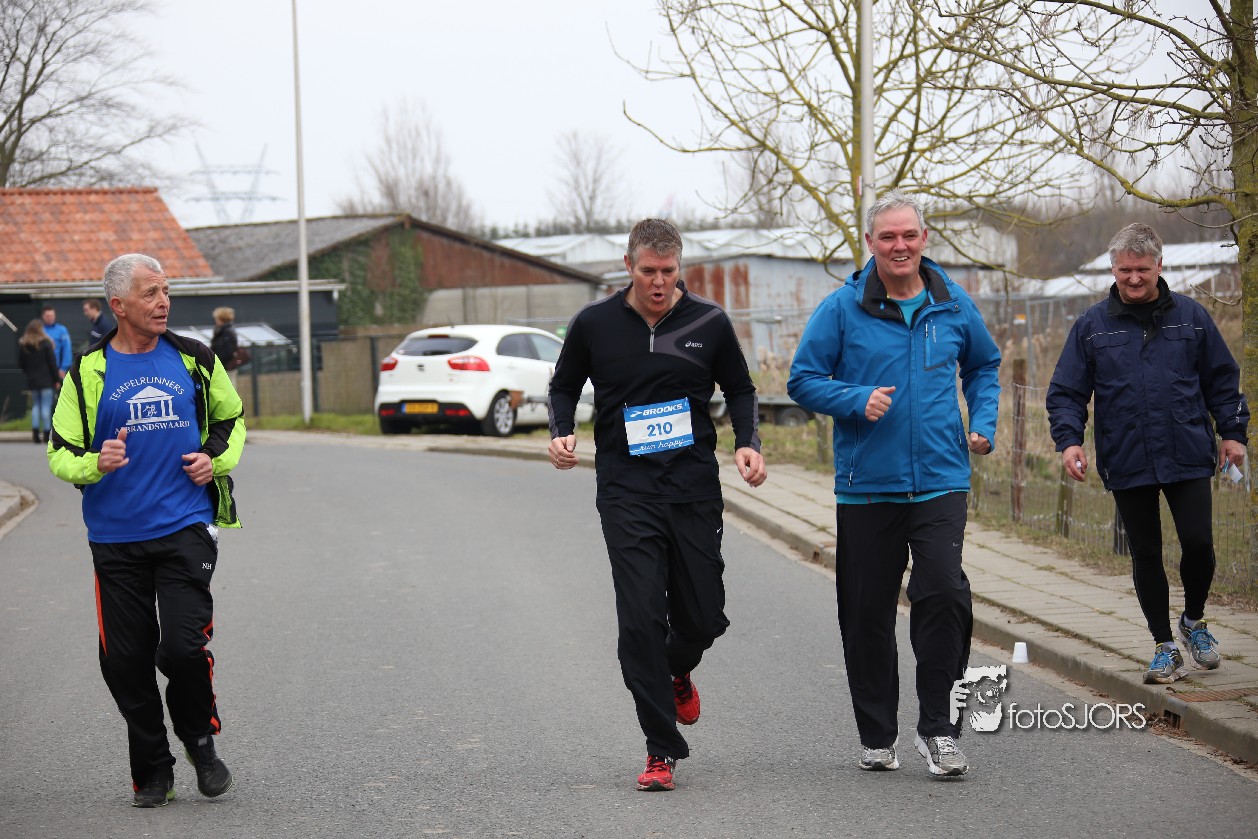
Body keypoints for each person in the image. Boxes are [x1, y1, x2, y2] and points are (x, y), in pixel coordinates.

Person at [547, 218, 767, 792]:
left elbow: (740, 388)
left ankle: (677, 669)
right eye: (649, 271)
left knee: (704, 615)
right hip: (626, 491)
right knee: (641, 618)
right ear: (629, 266)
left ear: (679, 267)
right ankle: (660, 748)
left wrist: (747, 442)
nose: (659, 282)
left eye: (669, 271)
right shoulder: (594, 323)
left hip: (693, 488)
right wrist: (562, 430)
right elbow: (563, 385)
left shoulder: (708, 322)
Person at [787, 190, 1001, 778]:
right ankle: (878, 734)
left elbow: (983, 366)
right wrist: (855, 399)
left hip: (941, 480)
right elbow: (803, 379)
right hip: (867, 487)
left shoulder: (952, 303)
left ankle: (939, 730)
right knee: (867, 615)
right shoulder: (841, 308)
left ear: (924, 239)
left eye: (909, 235)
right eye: (888, 237)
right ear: (870, 243)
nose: (899, 246)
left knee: (945, 596)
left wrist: (982, 423)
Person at [47, 254, 247, 808]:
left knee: (182, 649)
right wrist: (95, 463)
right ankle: (153, 769)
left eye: (166, 291)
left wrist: (213, 459)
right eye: (151, 293)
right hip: (115, 538)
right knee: (124, 661)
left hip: (185, 525)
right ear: (118, 305)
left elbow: (230, 417)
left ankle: (200, 740)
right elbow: (60, 451)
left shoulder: (195, 358)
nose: (163, 303)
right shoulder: (86, 372)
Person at [1046, 223, 1247, 685]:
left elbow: (1222, 380)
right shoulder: (1091, 326)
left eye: (1142, 269)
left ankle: (1193, 620)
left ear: (1159, 265)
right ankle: (1164, 646)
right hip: (1126, 455)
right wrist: (1070, 441)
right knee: (1146, 552)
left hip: (1187, 450)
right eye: (1124, 270)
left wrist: (1232, 433)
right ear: (1113, 269)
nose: (1133, 278)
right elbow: (1066, 392)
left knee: (1199, 543)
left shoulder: (1192, 318)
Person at [17, 319, 60, 444]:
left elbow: (21, 364)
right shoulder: (46, 343)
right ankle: (46, 435)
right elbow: (52, 363)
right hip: (46, 380)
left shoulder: (24, 344)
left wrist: (29, 373)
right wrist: (56, 379)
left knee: (36, 406)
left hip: (32, 380)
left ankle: (35, 435)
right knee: (46, 406)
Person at [41, 303, 73, 381]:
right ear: (43, 316)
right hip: (40, 370)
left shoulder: (62, 330)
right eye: (47, 316)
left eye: (52, 315)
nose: (50, 318)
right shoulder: (39, 330)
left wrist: (63, 368)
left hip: (57, 370)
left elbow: (67, 350)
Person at [210, 307, 238, 373]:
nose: (216, 321)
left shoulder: (227, 332)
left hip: (225, 367)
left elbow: (227, 351)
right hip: (222, 366)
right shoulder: (221, 330)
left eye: (217, 318)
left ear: (221, 319)